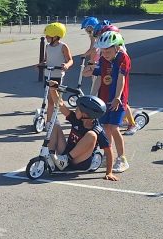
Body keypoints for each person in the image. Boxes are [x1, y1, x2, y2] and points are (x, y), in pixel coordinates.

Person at [45, 94, 118, 182]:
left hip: (79, 161)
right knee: (54, 124)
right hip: (65, 153)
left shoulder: (97, 130)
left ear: (85, 114)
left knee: (92, 135)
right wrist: (53, 90)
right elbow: (60, 104)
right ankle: (51, 155)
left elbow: (108, 151)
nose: (75, 110)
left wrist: (109, 172)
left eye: (78, 109)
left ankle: (65, 160)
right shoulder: (76, 119)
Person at [93, 29, 131, 173]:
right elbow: (99, 77)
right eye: (103, 51)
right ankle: (107, 156)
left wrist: (117, 97)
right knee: (105, 128)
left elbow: (121, 78)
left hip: (118, 99)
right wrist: (92, 96)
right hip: (104, 98)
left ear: (116, 47)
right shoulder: (103, 59)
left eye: (108, 50)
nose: (105, 53)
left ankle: (122, 159)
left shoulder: (123, 58)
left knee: (114, 128)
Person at [40, 22, 71, 129]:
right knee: (49, 98)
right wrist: (41, 64)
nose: (46, 37)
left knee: (51, 99)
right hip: (48, 74)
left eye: (48, 35)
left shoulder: (63, 46)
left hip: (57, 75)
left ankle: (49, 122)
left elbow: (70, 60)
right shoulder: (47, 47)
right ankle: (50, 120)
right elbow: (46, 60)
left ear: (56, 36)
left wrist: (66, 65)